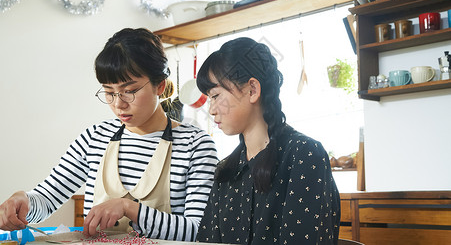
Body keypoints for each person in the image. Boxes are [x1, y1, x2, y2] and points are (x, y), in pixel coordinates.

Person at [0, 28, 218, 241]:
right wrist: (24, 202)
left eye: (130, 91)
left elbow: (197, 231)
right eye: (109, 92)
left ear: (159, 85)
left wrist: (128, 208)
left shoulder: (195, 145)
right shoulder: (94, 138)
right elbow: (47, 199)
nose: (118, 104)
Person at [195, 37, 340, 244]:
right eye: (209, 98)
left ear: (252, 90)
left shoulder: (304, 155)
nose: (211, 109)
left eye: (216, 95)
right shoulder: (226, 169)